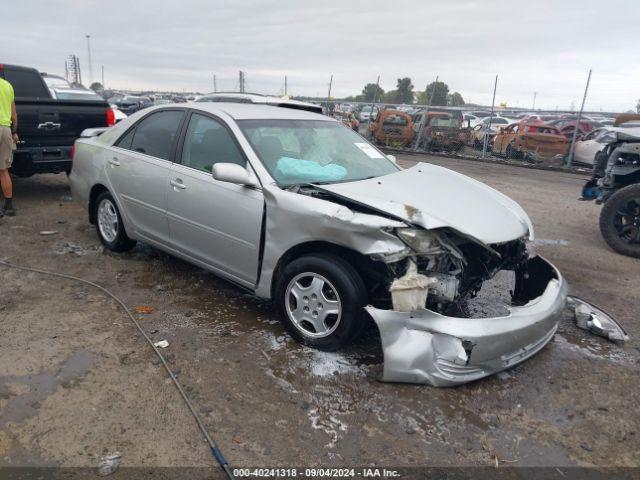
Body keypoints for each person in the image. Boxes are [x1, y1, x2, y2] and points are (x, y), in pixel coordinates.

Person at [0, 75, 17, 217]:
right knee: (3, 170)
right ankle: (9, 206)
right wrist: (15, 132)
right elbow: (14, 114)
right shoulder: (8, 86)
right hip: (6, 129)